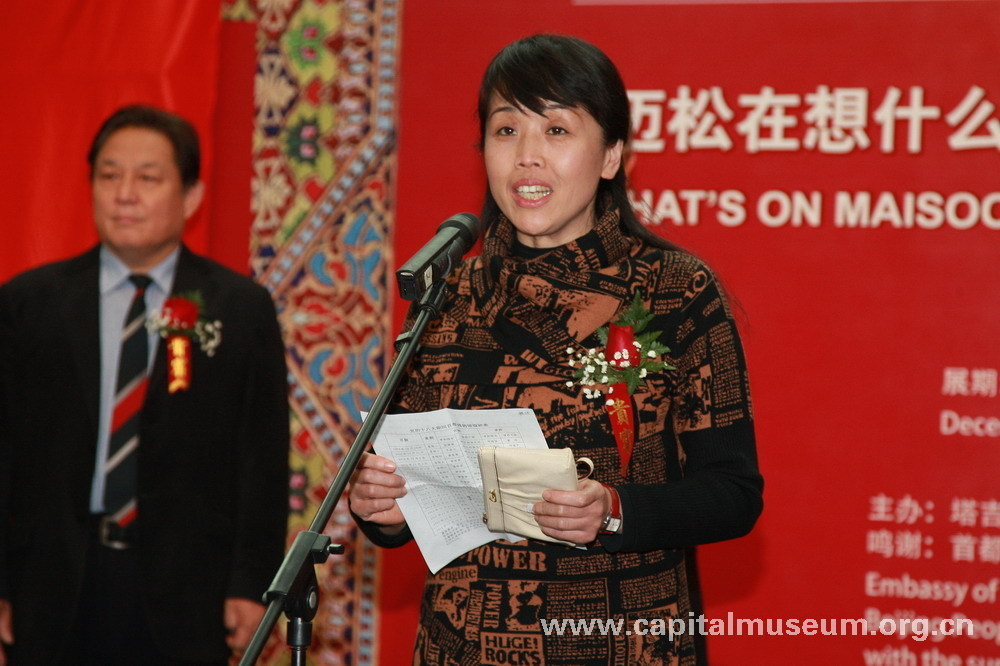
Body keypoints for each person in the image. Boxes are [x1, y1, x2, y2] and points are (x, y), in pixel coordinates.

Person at [349, 34, 763, 664]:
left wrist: (616, 510)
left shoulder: (676, 290)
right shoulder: (448, 295)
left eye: (557, 131)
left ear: (611, 156)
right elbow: (408, 491)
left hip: (621, 643)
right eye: (506, 130)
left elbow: (733, 493)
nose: (527, 157)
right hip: (462, 645)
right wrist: (381, 507)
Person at [0, 105, 290, 665]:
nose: (124, 194)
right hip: (51, 588)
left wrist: (253, 584)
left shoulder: (238, 308)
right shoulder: (29, 303)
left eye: (148, 178)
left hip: (189, 593)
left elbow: (261, 458)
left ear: (191, 196)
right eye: (109, 176)